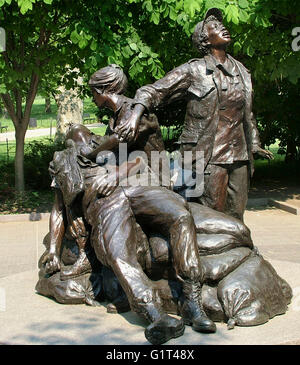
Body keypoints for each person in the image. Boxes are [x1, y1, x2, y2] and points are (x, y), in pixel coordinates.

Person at [115, 8, 273, 222]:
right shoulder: (194, 70)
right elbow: (151, 91)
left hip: (239, 154)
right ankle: (213, 252)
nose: (223, 28)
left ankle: (241, 252)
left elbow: (247, 113)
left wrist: (254, 143)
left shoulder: (242, 71)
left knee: (237, 214)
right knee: (213, 215)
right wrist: (134, 117)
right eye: (215, 27)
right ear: (205, 40)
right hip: (208, 155)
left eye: (221, 25)